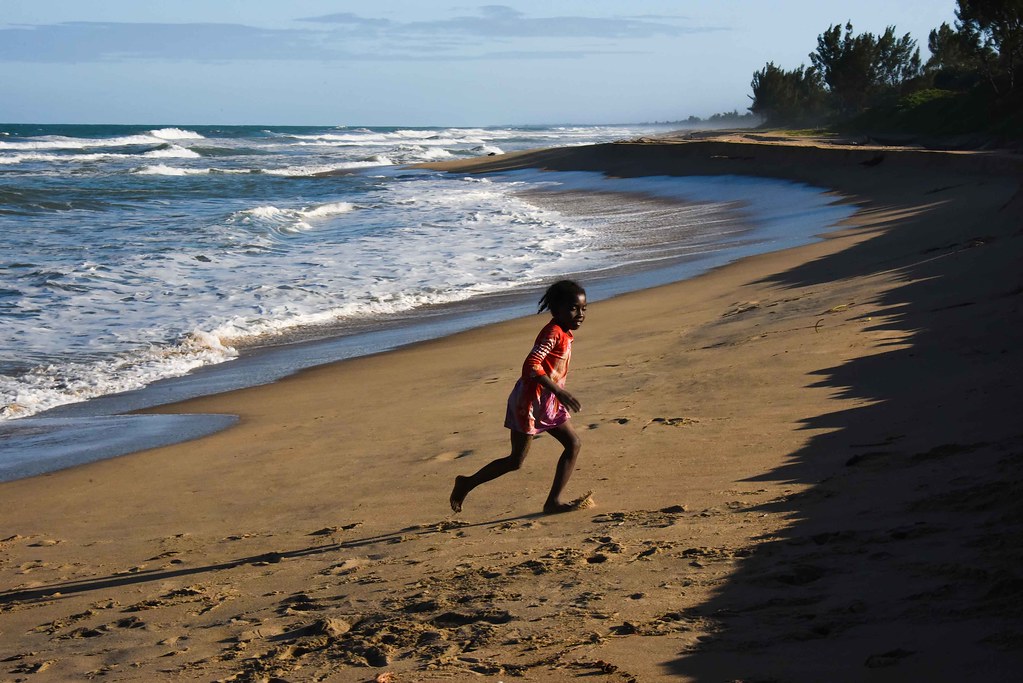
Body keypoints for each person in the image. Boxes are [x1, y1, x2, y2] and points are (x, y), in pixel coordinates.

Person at [450, 279, 587, 515]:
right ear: (556, 310)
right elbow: (531, 365)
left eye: (584, 309)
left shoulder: (564, 332)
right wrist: (558, 390)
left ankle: (552, 502)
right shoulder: (553, 333)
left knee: (573, 444)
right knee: (515, 461)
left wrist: (555, 393)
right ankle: (466, 483)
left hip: (548, 402)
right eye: (573, 308)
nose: (580, 314)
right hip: (530, 403)